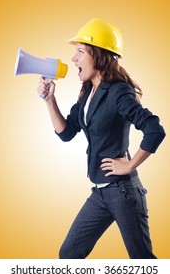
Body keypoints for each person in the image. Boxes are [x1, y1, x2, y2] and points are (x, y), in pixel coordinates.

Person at [37, 18, 166, 259]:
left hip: (123, 192)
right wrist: (49, 100)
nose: (73, 58)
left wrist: (129, 164)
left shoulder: (119, 92)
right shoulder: (87, 91)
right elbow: (66, 133)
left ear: (99, 55)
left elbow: (154, 130)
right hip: (100, 193)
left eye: (80, 51)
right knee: (68, 254)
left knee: (142, 262)